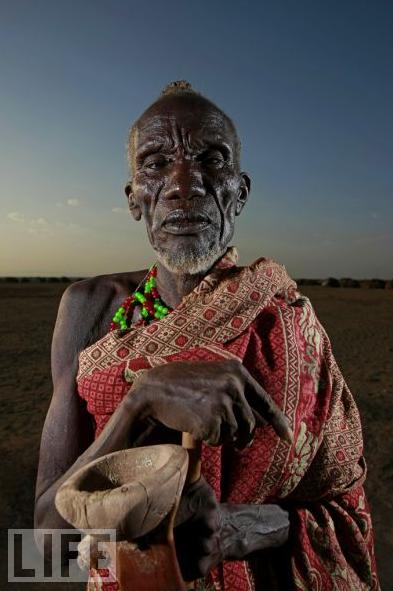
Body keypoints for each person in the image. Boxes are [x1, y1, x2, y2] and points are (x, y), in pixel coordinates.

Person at [34, 81, 380, 591]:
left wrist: (247, 527)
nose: (184, 183)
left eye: (211, 160)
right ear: (134, 199)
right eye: (155, 163)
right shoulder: (92, 309)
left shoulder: (289, 327)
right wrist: (140, 402)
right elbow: (49, 539)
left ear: (240, 192)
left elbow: (345, 506)